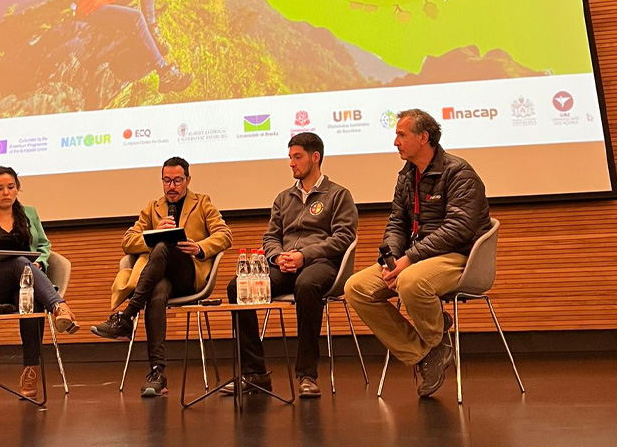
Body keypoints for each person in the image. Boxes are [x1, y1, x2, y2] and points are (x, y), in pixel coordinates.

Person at [345, 109, 491, 398]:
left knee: (411, 281)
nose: (395, 142)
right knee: (356, 288)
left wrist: (409, 260)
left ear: (424, 137)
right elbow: (397, 222)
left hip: (459, 256)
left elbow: (459, 228)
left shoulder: (459, 172)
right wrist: (392, 260)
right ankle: (423, 352)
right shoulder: (406, 176)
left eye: (401, 135)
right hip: (415, 257)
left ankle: (436, 338)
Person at [227, 133, 357, 398]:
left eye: (297, 157)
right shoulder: (284, 198)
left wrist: (304, 255)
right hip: (284, 265)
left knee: (306, 284)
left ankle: (307, 374)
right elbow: (271, 236)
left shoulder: (338, 195)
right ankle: (255, 373)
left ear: (315, 157)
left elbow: (343, 237)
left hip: (320, 265)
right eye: (290, 158)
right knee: (237, 286)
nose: (291, 164)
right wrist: (276, 257)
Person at [90, 156, 232, 397]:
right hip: (160, 278)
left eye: (177, 180)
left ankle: (127, 316)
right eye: (166, 181)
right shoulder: (152, 208)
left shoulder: (202, 203)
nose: (172, 186)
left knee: (165, 246)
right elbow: (127, 242)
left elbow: (225, 234)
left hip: (189, 276)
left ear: (188, 180)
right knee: (156, 291)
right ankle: (158, 373)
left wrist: (199, 247)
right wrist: (154, 234)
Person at [0, 166, 78, 399]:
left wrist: (39, 264)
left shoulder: (30, 213)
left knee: (32, 298)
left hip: (25, 282)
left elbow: (44, 246)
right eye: (0, 188)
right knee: (17, 260)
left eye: (11, 187)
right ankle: (58, 306)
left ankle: (30, 371)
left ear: (17, 189)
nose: (6, 192)